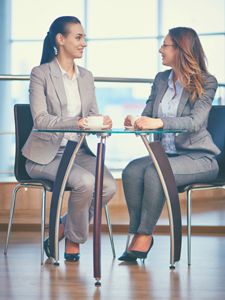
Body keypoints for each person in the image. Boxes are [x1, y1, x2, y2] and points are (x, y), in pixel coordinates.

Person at [119, 27, 220, 262]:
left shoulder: (207, 82)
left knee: (156, 173)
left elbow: (195, 122)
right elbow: (148, 113)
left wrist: (158, 122)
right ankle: (136, 233)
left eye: (165, 45)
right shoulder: (161, 79)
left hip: (199, 157)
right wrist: (136, 121)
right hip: (166, 155)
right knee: (132, 171)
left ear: (181, 49)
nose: (160, 50)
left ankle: (145, 235)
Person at [22, 16, 117, 261]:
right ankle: (73, 242)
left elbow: (91, 114)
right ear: (60, 40)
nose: (83, 42)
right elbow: (40, 120)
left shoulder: (86, 76)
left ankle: (62, 228)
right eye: (78, 37)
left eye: (84, 37)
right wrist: (74, 122)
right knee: (85, 182)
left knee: (107, 186)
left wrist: (100, 122)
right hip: (44, 156)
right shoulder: (40, 73)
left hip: (78, 151)